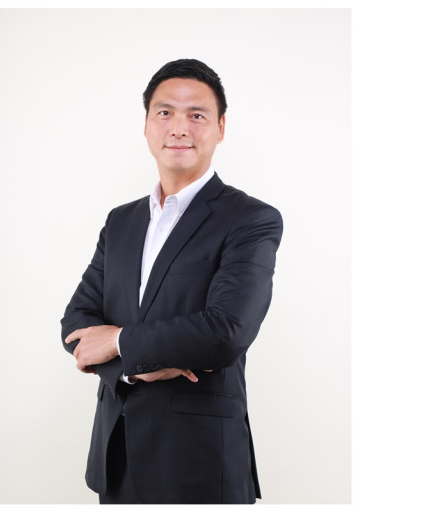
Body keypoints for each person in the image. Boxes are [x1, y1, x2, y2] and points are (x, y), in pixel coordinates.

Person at [61, 58, 283, 504]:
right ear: (146, 125)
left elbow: (226, 331)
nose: (179, 128)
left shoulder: (250, 219)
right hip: (117, 457)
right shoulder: (121, 222)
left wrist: (120, 342)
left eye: (196, 115)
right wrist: (135, 367)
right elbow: (77, 324)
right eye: (165, 113)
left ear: (220, 128)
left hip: (200, 462)